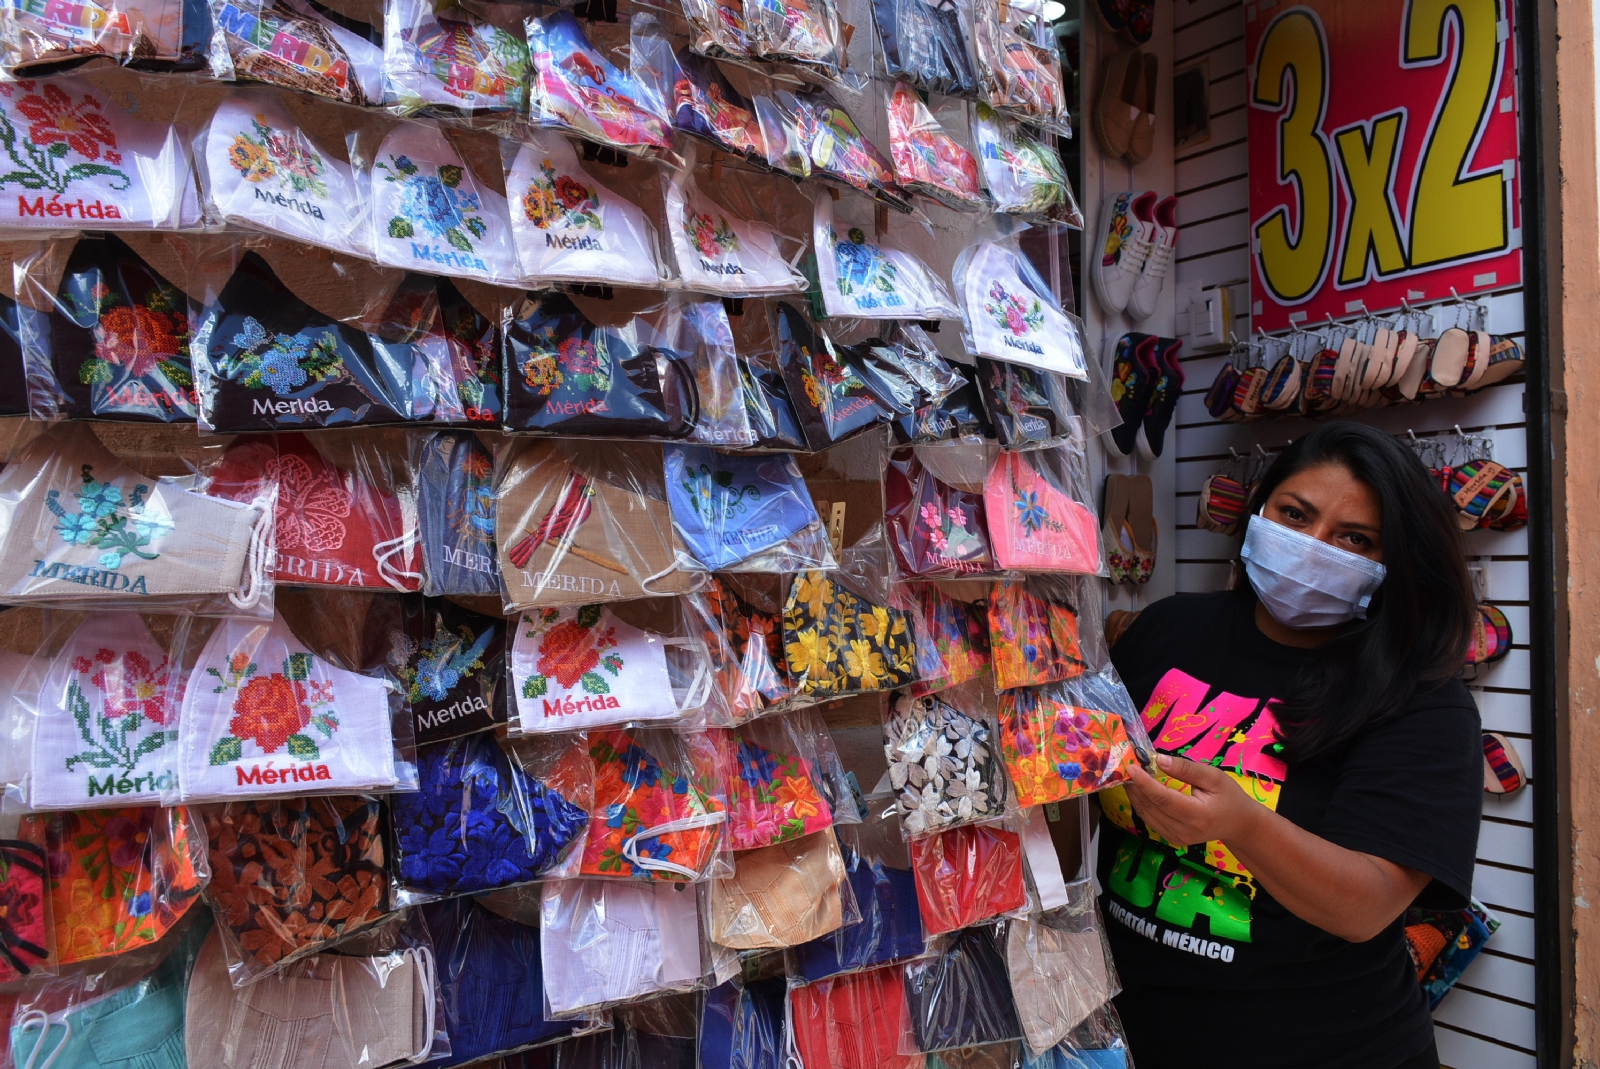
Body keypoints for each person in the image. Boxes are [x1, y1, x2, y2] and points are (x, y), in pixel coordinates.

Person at [1099, 422, 1482, 1069]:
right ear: (1259, 511)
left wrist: (1243, 824)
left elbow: (1366, 904)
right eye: (1295, 514)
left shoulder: (1421, 701)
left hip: (1327, 1047)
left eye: (1353, 537)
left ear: (1392, 563)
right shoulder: (1166, 630)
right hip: (1131, 1035)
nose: (1312, 546)